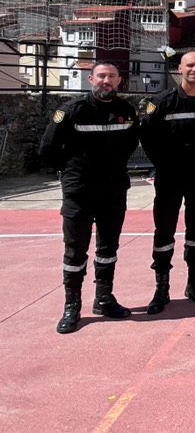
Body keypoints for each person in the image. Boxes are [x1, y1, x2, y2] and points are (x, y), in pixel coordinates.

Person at [39, 62, 140, 334]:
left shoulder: (126, 111)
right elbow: (48, 148)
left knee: (108, 249)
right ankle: (72, 306)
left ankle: (104, 298)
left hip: (114, 191)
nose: (106, 81)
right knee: (75, 251)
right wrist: (71, 172)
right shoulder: (72, 111)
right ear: (91, 78)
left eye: (111, 77)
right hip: (79, 193)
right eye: (101, 76)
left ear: (120, 81)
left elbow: (130, 144)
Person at [140, 51, 195, 314]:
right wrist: (162, 164)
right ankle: (161, 289)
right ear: (180, 69)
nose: (194, 69)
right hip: (170, 179)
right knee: (164, 233)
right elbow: (147, 137)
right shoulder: (162, 101)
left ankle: (194, 283)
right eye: (189, 65)